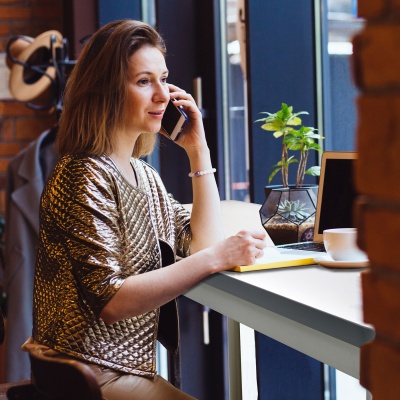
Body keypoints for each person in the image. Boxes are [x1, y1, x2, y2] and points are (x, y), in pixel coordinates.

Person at [22, 19, 268, 400]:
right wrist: (218, 256)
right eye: (143, 81)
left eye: (163, 79)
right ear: (104, 91)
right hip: (86, 375)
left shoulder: (143, 175)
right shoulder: (82, 174)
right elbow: (112, 301)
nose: (162, 95)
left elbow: (201, 246)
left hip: (120, 370)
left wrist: (197, 151)